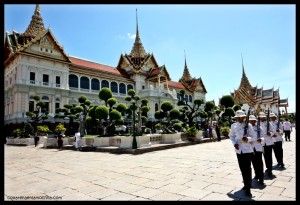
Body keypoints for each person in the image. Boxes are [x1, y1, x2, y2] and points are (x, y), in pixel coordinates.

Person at [229, 110, 255, 198]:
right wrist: (234, 143)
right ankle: (246, 184)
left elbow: (253, 136)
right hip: (239, 149)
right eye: (238, 117)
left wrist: (247, 139)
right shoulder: (233, 125)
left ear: (244, 117)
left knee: (247, 169)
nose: (239, 119)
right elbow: (231, 136)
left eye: (241, 117)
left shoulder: (248, 125)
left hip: (247, 149)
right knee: (242, 168)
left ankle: (248, 188)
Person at [249, 115, 265, 185]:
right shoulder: (247, 128)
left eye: (253, 120)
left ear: (255, 121)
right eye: (251, 120)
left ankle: (261, 178)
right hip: (251, 148)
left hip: (258, 147)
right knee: (254, 162)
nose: (252, 121)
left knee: (259, 163)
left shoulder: (259, 127)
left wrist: (261, 140)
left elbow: (263, 137)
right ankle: (256, 174)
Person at [259, 112, 276, 178]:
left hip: (269, 143)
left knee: (269, 157)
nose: (262, 118)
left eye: (263, 117)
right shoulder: (258, 124)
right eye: (261, 117)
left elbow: (273, 132)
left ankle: (270, 170)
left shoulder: (268, 123)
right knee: (265, 157)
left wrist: (270, 133)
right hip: (262, 143)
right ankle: (267, 168)